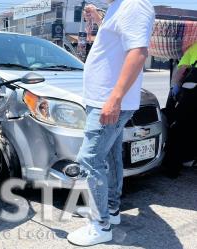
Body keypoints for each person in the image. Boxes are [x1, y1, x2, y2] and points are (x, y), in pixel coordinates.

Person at [67, 0, 154, 246]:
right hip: (101, 99)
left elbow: (138, 53)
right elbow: (117, 39)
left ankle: (99, 225)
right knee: (110, 156)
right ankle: (112, 211)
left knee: (90, 160)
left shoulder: (135, 4)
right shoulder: (120, 7)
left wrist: (114, 99)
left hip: (109, 101)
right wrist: (97, 18)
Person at [163, 42, 197, 177]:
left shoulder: (194, 47)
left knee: (180, 127)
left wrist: (175, 88)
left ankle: (173, 168)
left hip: (193, 93)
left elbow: (181, 70)